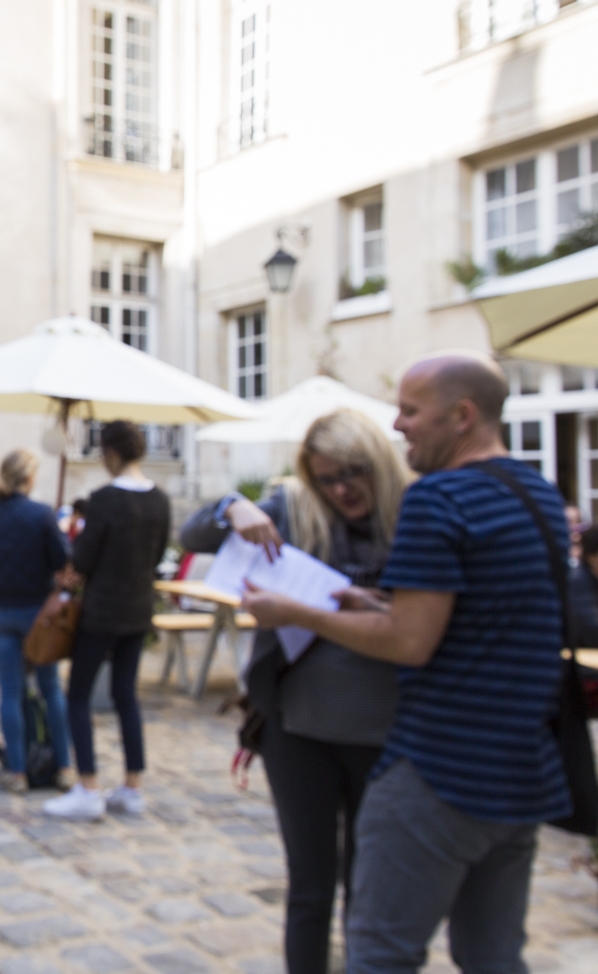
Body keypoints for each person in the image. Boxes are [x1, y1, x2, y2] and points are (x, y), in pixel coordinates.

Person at [243, 352, 569, 974]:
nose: (398, 425)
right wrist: (376, 603)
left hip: (440, 770)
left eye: (411, 411)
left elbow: (408, 643)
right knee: (493, 957)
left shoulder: (438, 497)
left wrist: (297, 613)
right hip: (522, 773)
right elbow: (478, 620)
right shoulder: (539, 495)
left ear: (462, 415)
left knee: (380, 954)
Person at [179, 408, 409, 974]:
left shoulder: (413, 513)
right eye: (327, 478)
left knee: (369, 883)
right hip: (297, 726)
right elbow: (193, 534)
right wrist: (233, 505)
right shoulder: (296, 508)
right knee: (310, 882)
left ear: (378, 462)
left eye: (352, 473)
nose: (341, 489)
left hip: (387, 728)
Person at [44, 420, 170, 820]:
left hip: (101, 612)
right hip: (139, 610)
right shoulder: (160, 500)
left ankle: (88, 787)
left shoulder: (104, 499)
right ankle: (132, 787)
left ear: (112, 453)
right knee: (126, 696)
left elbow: (82, 559)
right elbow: (158, 554)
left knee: (78, 695)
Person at [0, 449, 72, 793]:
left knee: (10, 691)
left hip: (1, 611)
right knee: (50, 688)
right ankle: (64, 767)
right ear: (29, 478)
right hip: (37, 614)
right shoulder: (41, 514)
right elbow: (62, 559)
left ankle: (17, 772)